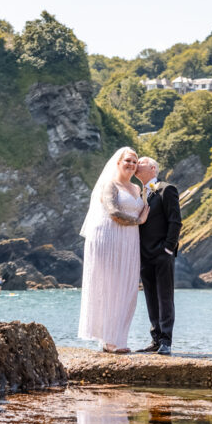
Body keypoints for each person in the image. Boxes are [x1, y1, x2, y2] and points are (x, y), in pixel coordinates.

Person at [78, 147, 149, 354]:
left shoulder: (137, 189)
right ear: (118, 162)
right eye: (127, 160)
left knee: (127, 287)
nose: (131, 164)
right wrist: (138, 220)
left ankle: (119, 337)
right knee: (108, 286)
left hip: (129, 240)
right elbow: (114, 212)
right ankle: (109, 340)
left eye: (134, 162)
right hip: (108, 237)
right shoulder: (109, 185)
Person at [134, 157, 181, 356]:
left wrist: (168, 249)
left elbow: (175, 221)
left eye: (141, 162)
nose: (136, 164)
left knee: (165, 297)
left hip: (162, 254)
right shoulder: (138, 193)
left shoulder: (165, 189)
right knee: (150, 297)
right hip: (143, 256)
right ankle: (155, 339)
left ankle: (166, 341)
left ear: (153, 168)